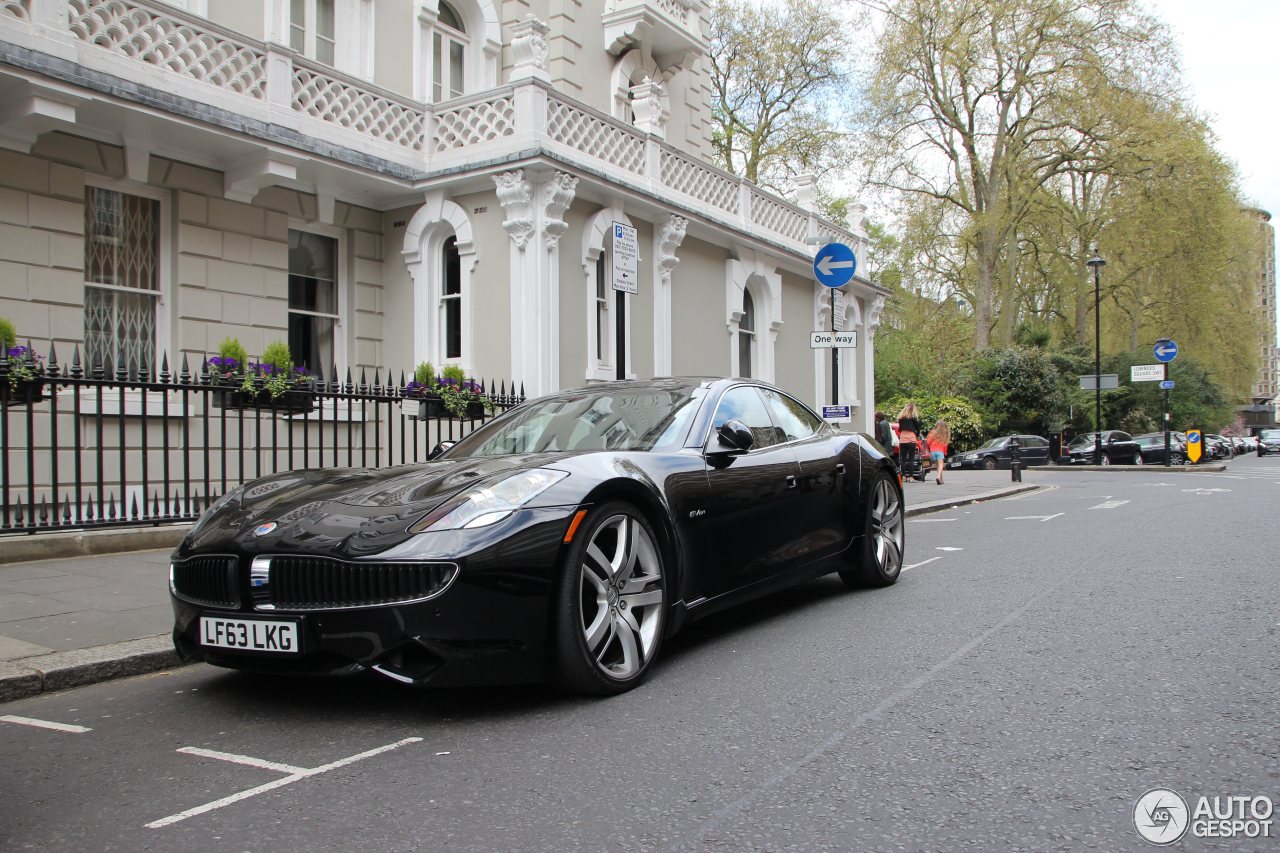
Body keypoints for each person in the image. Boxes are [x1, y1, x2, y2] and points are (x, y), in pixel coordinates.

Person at [925, 419, 951, 484]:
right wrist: (945, 452)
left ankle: (941, 479)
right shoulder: (944, 434)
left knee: (938, 466)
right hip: (940, 451)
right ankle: (938, 476)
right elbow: (945, 444)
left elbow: (928, 442)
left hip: (932, 451)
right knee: (941, 465)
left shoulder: (932, 432)